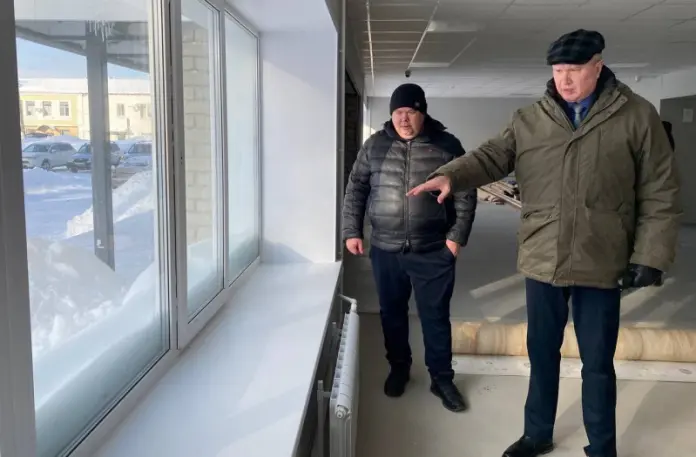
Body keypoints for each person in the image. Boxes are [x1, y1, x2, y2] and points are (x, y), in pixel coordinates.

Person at [407, 29, 681, 457]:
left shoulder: (637, 116)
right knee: (541, 353)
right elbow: (491, 156)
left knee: (597, 361)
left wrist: (650, 255)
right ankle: (537, 434)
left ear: (598, 65)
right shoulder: (530, 118)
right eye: (557, 70)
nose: (564, 79)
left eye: (574, 70)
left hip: (602, 258)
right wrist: (450, 175)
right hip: (543, 256)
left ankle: (602, 446)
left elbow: (660, 190)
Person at [342, 83, 477, 413]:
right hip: (386, 249)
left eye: (411, 112)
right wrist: (351, 230)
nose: (404, 118)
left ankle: (441, 379)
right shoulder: (375, 146)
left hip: (433, 249)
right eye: (398, 112)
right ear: (392, 114)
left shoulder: (446, 145)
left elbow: (466, 191)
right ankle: (399, 369)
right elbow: (356, 188)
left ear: (423, 113)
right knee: (392, 314)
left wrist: (455, 238)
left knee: (435, 316)